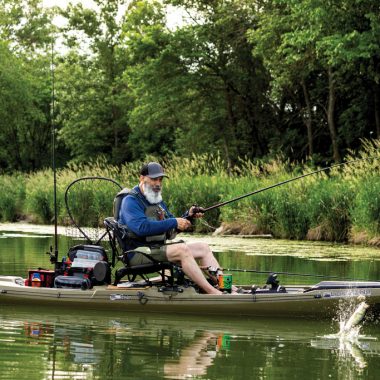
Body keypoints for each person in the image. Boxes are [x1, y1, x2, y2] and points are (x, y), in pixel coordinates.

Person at [118, 161, 223, 295]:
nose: (158, 183)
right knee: (182, 249)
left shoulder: (157, 200)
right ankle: (213, 292)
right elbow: (141, 228)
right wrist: (174, 222)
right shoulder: (130, 201)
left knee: (203, 247)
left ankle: (225, 287)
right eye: (154, 179)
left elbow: (169, 231)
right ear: (142, 178)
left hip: (156, 249)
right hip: (137, 254)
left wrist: (188, 217)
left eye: (160, 179)